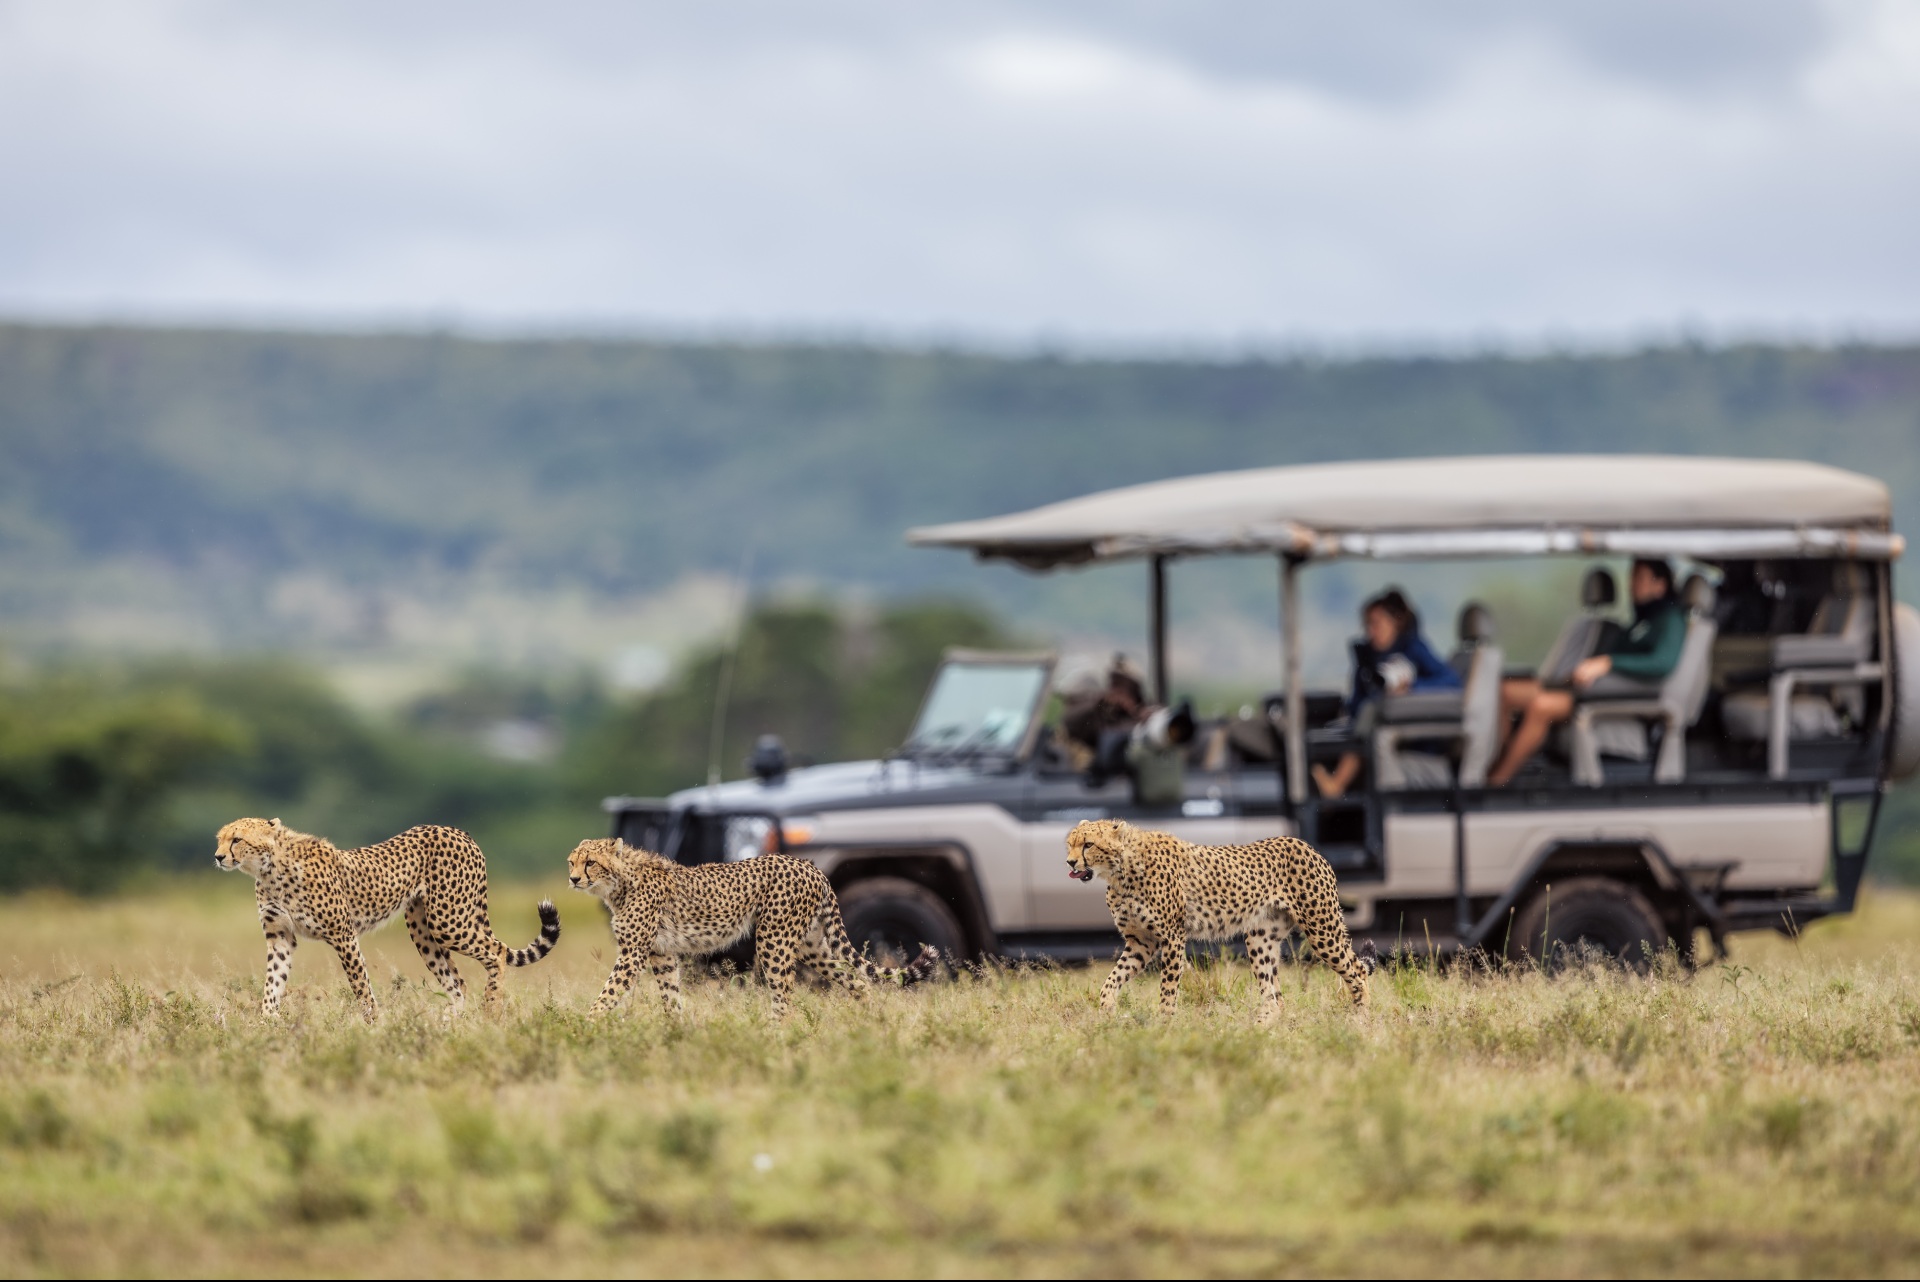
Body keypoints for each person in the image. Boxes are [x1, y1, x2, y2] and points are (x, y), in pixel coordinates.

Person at [1486, 558, 1686, 788]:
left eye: (1639, 578)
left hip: (1614, 698)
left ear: (1660, 585)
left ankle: (1496, 782)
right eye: (1631, 577)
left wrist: (1608, 663)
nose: (1631, 585)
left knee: (1542, 705)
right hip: (1594, 689)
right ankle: (1494, 761)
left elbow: (1662, 663)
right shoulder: (1641, 622)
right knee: (1506, 691)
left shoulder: (1671, 619)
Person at [1312, 589, 1460, 799]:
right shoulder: (1368, 660)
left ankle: (1336, 784)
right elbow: (1357, 702)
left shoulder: (1414, 650)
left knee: (1370, 724)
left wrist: (1412, 688)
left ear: (1396, 623)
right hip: (1372, 729)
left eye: (1377, 624)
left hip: (1413, 736)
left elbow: (1451, 681)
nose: (1371, 631)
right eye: (1368, 625)